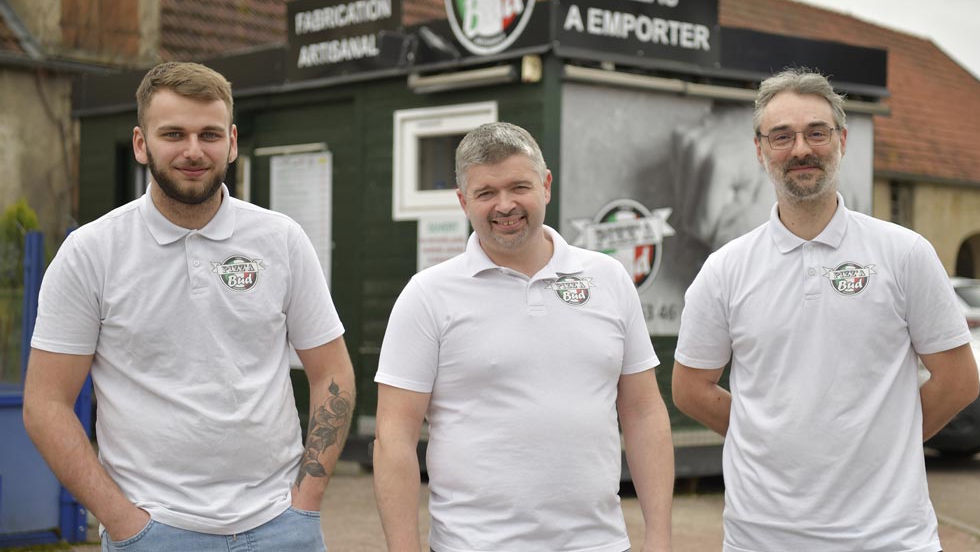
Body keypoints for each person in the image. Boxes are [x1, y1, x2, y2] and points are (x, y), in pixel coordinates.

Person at [23, 61, 355, 551]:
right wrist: (123, 521)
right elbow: (45, 404)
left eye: (210, 134)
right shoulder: (91, 253)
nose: (194, 151)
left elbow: (333, 371)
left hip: (282, 528)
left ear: (233, 142)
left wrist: (306, 501)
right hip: (155, 532)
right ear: (141, 143)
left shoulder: (280, 240)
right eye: (174, 133)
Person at [672, 67, 980, 552]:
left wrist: (883, 446)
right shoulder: (725, 269)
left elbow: (958, 381)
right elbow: (690, 389)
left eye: (816, 132)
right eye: (782, 136)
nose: (801, 149)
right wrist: (774, 441)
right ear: (759, 149)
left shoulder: (904, 253)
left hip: (888, 537)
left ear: (841, 140)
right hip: (762, 537)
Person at [373, 122, 674, 552]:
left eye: (519, 187)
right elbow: (393, 437)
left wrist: (659, 540)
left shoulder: (608, 278)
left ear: (546, 185)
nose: (505, 205)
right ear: (463, 201)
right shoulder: (427, 295)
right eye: (486, 193)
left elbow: (644, 412)